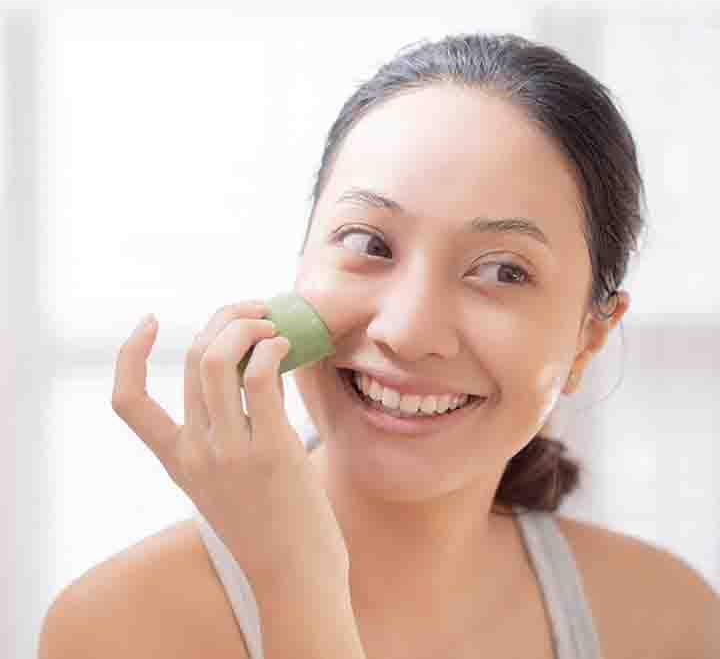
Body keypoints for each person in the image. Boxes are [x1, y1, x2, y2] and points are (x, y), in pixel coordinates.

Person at [39, 32, 719, 659]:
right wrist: (297, 580)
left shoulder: (666, 622)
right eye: (370, 243)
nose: (408, 329)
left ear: (587, 339)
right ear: (301, 261)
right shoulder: (118, 628)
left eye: (503, 270)